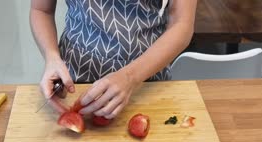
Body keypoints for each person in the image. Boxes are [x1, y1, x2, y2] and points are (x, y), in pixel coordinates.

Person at [30, 0, 197, 118]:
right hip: (74, 78)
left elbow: (182, 24)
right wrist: (51, 57)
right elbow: (41, 10)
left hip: (146, 78)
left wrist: (130, 77)